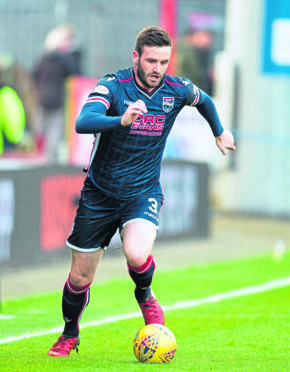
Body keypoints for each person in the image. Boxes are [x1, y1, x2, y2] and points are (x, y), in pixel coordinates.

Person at [48, 26, 235, 357]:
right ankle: (69, 333)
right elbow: (84, 120)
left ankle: (145, 294)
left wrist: (220, 133)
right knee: (79, 277)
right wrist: (120, 119)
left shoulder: (177, 90)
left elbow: (203, 100)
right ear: (136, 57)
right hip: (99, 194)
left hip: (142, 192)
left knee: (136, 253)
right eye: (151, 61)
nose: (157, 69)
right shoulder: (113, 85)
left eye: (164, 61)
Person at [33, 24, 82, 160]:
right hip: (44, 102)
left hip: (58, 103)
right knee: (40, 135)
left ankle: (49, 161)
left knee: (54, 138)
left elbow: (75, 73)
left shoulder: (67, 60)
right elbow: (35, 75)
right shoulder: (48, 59)